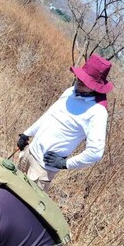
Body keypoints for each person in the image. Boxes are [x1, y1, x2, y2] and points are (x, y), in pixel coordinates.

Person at [17, 54, 114, 192]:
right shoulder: (70, 91)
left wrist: (65, 164)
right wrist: (27, 133)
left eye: (86, 81)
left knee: (23, 210)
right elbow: (49, 116)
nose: (80, 80)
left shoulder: (97, 112)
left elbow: (95, 152)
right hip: (29, 153)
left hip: (43, 169)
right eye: (80, 77)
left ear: (96, 86)